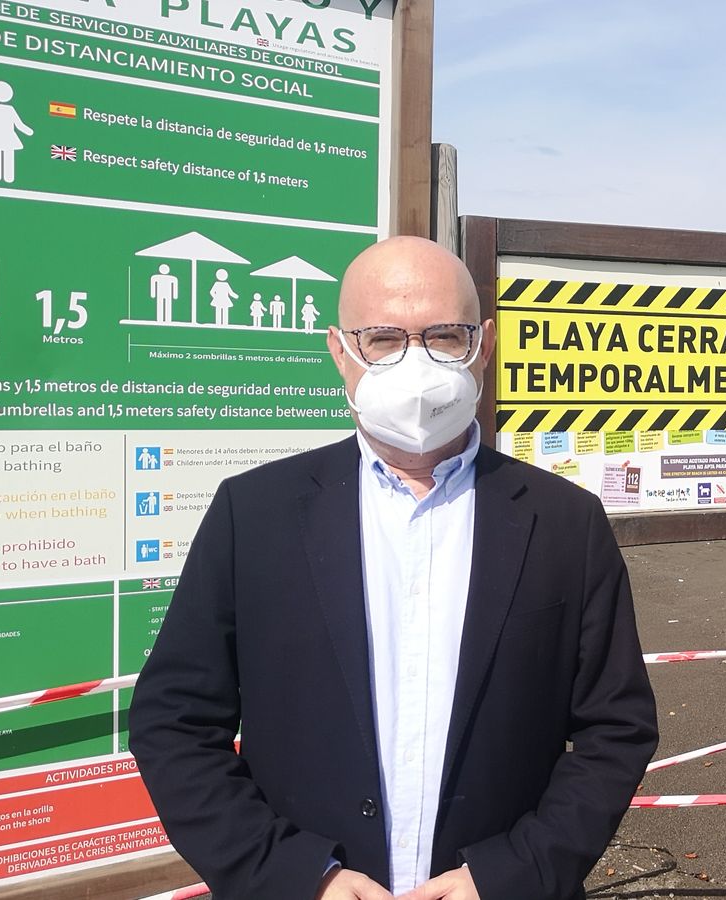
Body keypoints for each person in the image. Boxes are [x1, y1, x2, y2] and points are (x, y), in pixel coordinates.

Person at [129, 237, 658, 900]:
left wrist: (510, 875)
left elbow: (617, 730)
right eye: (383, 338)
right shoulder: (255, 514)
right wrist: (295, 877)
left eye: (444, 335)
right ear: (340, 351)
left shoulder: (564, 522)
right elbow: (173, 722)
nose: (417, 362)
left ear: (484, 346)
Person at [0, 81, 32, 184]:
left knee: (9, 155)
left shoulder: (10, 109)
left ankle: (9, 177)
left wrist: (28, 131)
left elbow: (18, 124)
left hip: (9, 136)